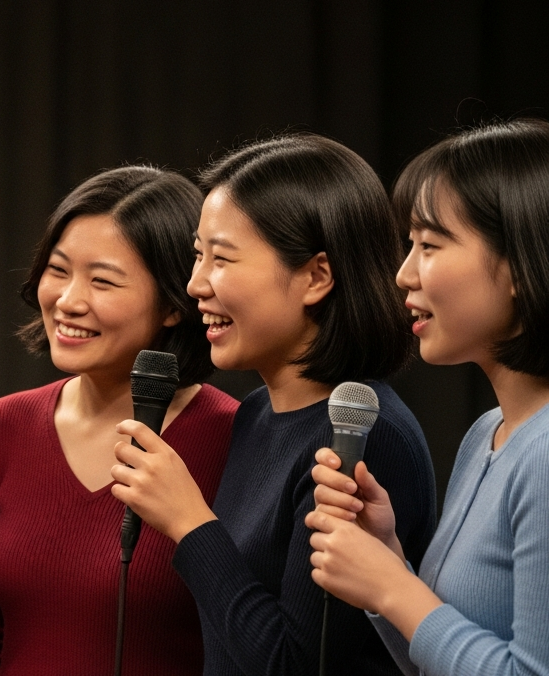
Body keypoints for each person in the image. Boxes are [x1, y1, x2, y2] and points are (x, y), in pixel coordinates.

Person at [110, 133, 439, 675]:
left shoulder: (362, 435)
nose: (196, 284)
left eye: (222, 259)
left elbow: (293, 665)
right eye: (198, 256)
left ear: (315, 276)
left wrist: (189, 522)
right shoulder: (258, 414)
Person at [0, 166, 239, 674]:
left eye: (102, 281)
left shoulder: (231, 436)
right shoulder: (3, 428)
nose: (68, 301)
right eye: (58, 270)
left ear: (172, 302)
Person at [306, 118, 549, 675]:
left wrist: (394, 589)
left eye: (430, 245)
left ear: (520, 263)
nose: (403, 274)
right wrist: (385, 559)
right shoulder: (486, 434)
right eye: (408, 245)